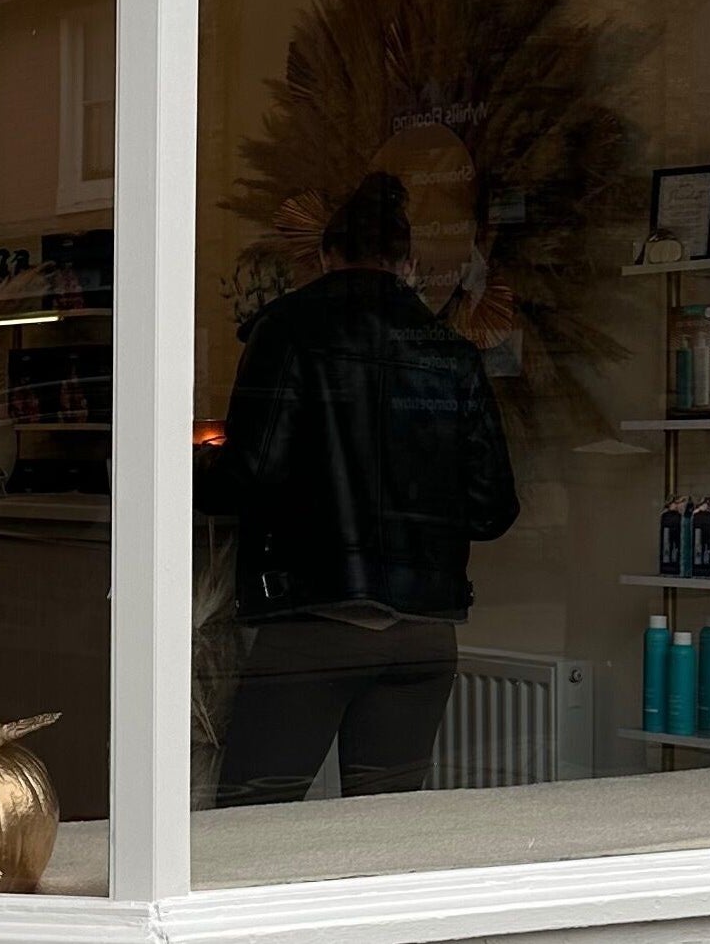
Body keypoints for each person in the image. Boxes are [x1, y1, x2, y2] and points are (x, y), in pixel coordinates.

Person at [202, 171, 519, 804]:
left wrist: (182, 465)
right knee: (384, 836)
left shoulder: (286, 330)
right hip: (424, 634)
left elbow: (248, 475)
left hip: (313, 623)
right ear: (407, 265)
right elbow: (492, 509)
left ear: (325, 256)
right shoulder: (452, 353)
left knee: (250, 825)